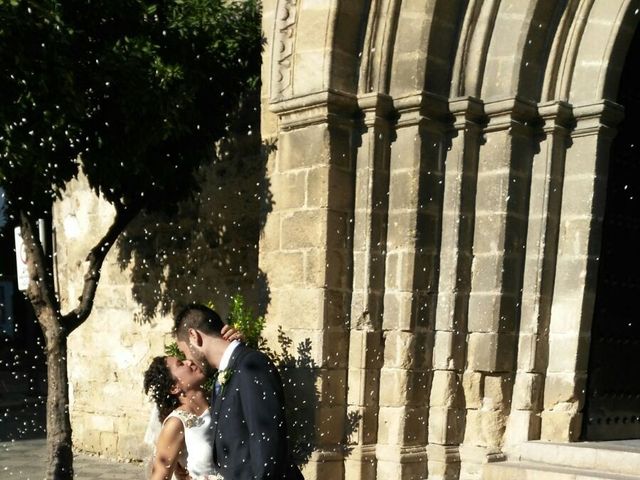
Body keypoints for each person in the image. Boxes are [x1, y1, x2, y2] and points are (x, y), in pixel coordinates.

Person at [174, 304, 304, 480]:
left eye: (185, 352)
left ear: (193, 336)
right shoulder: (224, 376)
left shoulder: (251, 365)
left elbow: (267, 453)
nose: (189, 360)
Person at [144, 355, 223, 480]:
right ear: (174, 388)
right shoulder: (176, 423)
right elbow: (159, 476)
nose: (189, 362)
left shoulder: (222, 402)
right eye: (180, 364)